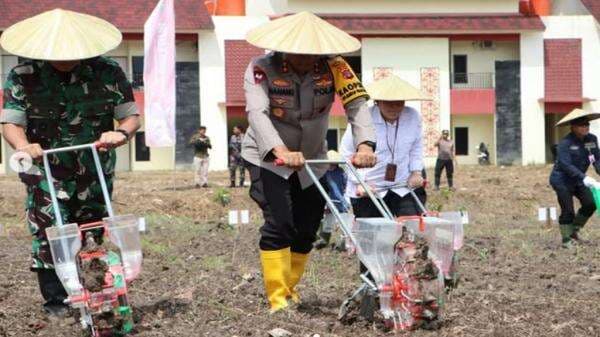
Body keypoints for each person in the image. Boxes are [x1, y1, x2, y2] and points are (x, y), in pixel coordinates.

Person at [0, 9, 140, 316]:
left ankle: (96, 289)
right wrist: (24, 145)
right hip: (44, 167)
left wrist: (121, 134)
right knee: (50, 227)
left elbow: (130, 116)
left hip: (93, 167)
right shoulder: (23, 77)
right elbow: (10, 122)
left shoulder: (108, 71)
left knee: (92, 226)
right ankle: (57, 303)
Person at [242, 12, 377, 312]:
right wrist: (279, 150)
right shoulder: (261, 68)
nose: (306, 59)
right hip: (268, 158)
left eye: (312, 53)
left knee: (307, 227)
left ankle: (290, 288)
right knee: (280, 223)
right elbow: (257, 113)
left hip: (312, 158)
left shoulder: (336, 66)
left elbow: (356, 105)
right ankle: (278, 298)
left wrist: (365, 144)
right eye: (299, 53)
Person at [340, 74, 429, 321]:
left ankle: (409, 292)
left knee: (410, 237)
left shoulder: (412, 117)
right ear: (377, 102)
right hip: (369, 188)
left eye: (399, 102)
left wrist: (415, 171)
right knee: (374, 245)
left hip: (401, 185)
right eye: (389, 103)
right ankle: (372, 294)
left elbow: (416, 147)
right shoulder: (362, 120)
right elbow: (347, 154)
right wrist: (359, 182)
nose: (395, 107)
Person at [549, 108, 600, 248]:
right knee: (568, 210)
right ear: (573, 127)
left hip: (578, 180)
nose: (585, 127)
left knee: (591, 203)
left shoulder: (592, 139)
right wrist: (584, 177)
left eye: (587, 125)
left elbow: (596, 159)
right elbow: (565, 165)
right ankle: (566, 240)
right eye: (581, 125)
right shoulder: (565, 144)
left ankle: (574, 231)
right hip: (562, 180)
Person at [313, 150, 350, 250]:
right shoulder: (323, 173)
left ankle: (344, 242)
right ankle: (324, 239)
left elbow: (346, 186)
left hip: (340, 200)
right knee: (327, 221)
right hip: (328, 200)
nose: (331, 165)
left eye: (333, 163)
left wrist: (345, 199)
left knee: (343, 221)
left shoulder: (341, 172)